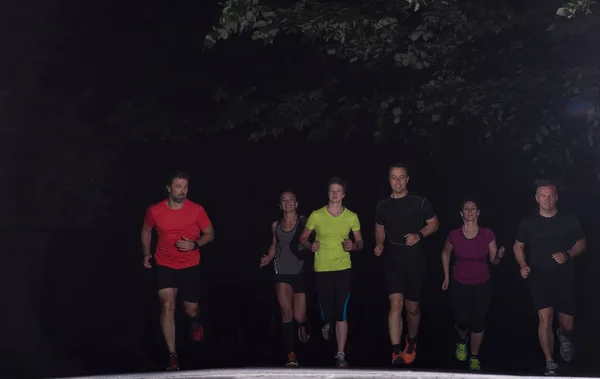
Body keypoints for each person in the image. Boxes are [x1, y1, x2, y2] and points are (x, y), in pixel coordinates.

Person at [141, 172, 215, 371]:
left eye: (185, 187)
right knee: (167, 305)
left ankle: (194, 321)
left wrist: (194, 244)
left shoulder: (196, 210)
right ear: (168, 188)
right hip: (164, 264)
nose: (182, 191)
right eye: (178, 187)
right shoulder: (155, 211)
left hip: (190, 265)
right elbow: (146, 230)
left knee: (190, 309)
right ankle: (173, 356)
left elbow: (210, 233)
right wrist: (146, 253)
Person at [513, 182, 585, 375]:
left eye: (551, 195)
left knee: (567, 324)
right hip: (539, 277)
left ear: (556, 197)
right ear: (537, 199)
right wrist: (523, 265)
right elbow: (518, 246)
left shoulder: (568, 220)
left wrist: (568, 254)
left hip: (565, 278)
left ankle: (563, 335)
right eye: (543, 196)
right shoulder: (528, 222)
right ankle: (550, 361)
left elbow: (581, 243)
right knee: (545, 319)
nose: (547, 199)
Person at [374, 163, 439, 365]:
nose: (398, 181)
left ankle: (411, 341)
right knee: (395, 304)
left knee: (412, 309)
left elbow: (434, 223)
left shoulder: (419, 201)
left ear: (407, 179)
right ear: (389, 180)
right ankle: (396, 351)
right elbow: (379, 227)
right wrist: (379, 244)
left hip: (415, 262)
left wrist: (419, 235)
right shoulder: (382, 205)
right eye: (394, 177)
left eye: (402, 177)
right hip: (392, 261)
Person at [299, 177, 363, 368]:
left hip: (344, 267)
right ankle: (327, 321)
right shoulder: (316, 215)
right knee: (327, 308)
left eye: (338, 191)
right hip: (322, 268)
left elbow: (360, 243)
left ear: (343, 195)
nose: (335, 194)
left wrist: (353, 245)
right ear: (328, 194)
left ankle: (341, 353)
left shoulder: (352, 216)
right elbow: (303, 238)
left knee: (341, 311)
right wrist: (310, 245)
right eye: (331, 191)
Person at [441, 199, 504, 371]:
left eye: (473, 208)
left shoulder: (487, 234)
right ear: (461, 213)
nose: (469, 211)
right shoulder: (454, 234)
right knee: (461, 321)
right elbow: (445, 253)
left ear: (478, 213)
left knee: (478, 322)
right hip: (459, 282)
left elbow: (493, 260)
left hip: (482, 284)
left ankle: (474, 356)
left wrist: (498, 257)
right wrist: (446, 277)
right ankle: (462, 341)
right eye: (466, 209)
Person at [260, 191, 311, 367]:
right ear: (280, 205)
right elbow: (275, 245)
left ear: (296, 204)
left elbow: (315, 236)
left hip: (299, 272)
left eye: (291, 200)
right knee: (286, 313)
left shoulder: (304, 221)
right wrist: (268, 257)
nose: (287, 202)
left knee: (298, 316)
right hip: (280, 270)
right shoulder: (275, 225)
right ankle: (291, 354)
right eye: (284, 200)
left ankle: (304, 324)